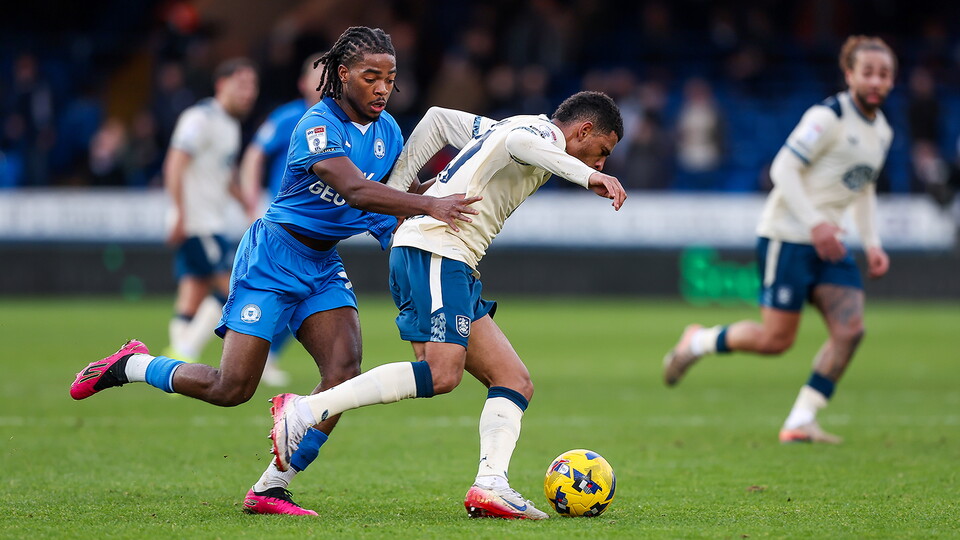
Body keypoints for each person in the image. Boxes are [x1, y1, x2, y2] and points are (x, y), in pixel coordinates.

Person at [70, 26, 480, 516]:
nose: (382, 88)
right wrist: (430, 204)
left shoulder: (388, 131)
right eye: (371, 77)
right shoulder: (317, 125)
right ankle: (132, 366)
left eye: (390, 79)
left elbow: (390, 201)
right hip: (273, 258)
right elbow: (355, 190)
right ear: (342, 74)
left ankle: (272, 486)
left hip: (323, 263)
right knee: (232, 388)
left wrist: (434, 225)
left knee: (343, 371)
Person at [267, 90, 627, 519]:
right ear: (583, 130)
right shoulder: (538, 134)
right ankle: (304, 410)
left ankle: (491, 484)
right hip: (439, 253)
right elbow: (523, 145)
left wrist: (396, 190)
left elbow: (437, 119)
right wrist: (587, 177)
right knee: (441, 373)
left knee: (513, 380)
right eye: (602, 151)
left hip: (442, 258)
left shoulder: (507, 124)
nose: (601, 163)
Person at [663, 35, 896, 444]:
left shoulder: (883, 132)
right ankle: (697, 341)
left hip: (830, 243)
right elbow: (783, 168)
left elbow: (863, 187)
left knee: (850, 330)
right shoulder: (828, 117)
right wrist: (815, 224)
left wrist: (873, 242)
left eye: (884, 74)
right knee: (775, 341)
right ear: (849, 74)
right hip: (788, 235)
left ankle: (801, 419)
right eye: (868, 72)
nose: (876, 81)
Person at [161, 58, 260, 364]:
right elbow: (175, 163)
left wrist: (245, 202)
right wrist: (179, 212)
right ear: (221, 85)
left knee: (192, 293)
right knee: (234, 287)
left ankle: (176, 363)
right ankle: (184, 352)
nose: (248, 93)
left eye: (252, 87)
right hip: (197, 222)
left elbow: (223, 172)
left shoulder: (230, 125)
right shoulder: (199, 118)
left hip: (209, 221)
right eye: (241, 85)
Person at [237, 53, 325, 387]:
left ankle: (264, 357)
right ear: (303, 83)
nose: (324, 86)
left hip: (315, 229)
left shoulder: (343, 122)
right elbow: (255, 154)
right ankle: (245, 355)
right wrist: (251, 200)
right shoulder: (290, 117)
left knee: (301, 293)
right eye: (318, 79)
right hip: (282, 223)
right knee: (277, 291)